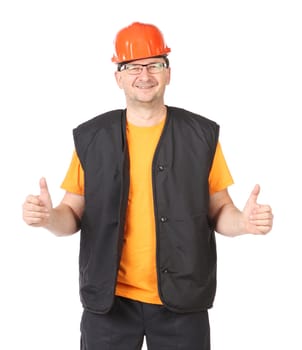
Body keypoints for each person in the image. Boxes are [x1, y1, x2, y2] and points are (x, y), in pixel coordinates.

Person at [22, 22, 273, 350]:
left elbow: (219, 209)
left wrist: (243, 222)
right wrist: (48, 218)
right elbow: (71, 213)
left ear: (168, 72)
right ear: (118, 77)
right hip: (109, 301)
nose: (145, 75)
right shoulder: (92, 138)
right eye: (133, 66)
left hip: (182, 301)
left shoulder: (200, 136)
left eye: (155, 64)